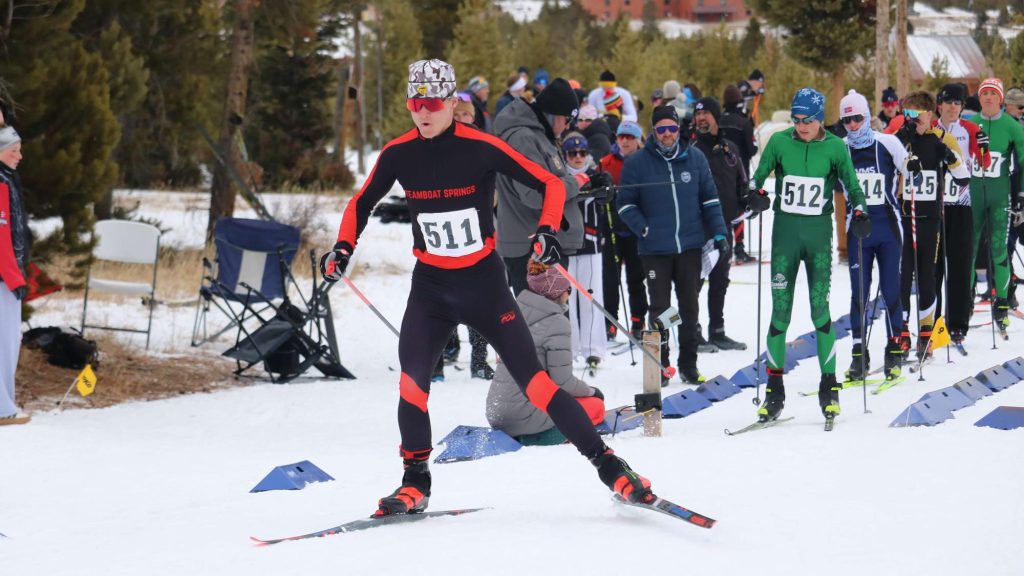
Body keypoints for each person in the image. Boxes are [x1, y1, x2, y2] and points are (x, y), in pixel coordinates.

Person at [319, 59, 656, 515]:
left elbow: (551, 184)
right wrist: (342, 247)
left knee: (536, 384)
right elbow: (361, 203)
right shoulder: (400, 153)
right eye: (415, 103)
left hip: (483, 284)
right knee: (412, 385)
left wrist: (547, 230)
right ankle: (414, 479)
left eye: (433, 103)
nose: (423, 112)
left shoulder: (480, 147)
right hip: (432, 288)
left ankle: (610, 466)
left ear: (452, 101)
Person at [746, 87, 869, 423]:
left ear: (820, 119)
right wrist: (754, 193)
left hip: (817, 239)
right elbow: (757, 176)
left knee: (820, 310)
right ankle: (774, 389)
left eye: (809, 120)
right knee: (780, 312)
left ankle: (829, 385)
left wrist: (860, 211)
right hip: (785, 238)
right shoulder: (779, 142)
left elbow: (852, 185)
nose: (801, 125)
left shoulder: (834, 147)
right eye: (797, 119)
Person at [617, 105, 729, 385]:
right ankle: (660, 364)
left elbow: (710, 200)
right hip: (655, 250)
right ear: (653, 132)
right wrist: (644, 228)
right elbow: (625, 204)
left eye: (672, 129)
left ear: (679, 130)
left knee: (689, 308)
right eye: (661, 130)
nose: (667, 135)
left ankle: (688, 365)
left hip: (690, 246)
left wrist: (719, 233)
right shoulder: (637, 163)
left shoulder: (695, 159)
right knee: (661, 309)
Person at [486, 262, 606, 445]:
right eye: (569, 289)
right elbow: (563, 382)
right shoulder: (556, 322)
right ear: (558, 291)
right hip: (525, 416)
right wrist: (591, 391)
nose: (569, 294)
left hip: (497, 414)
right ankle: (544, 436)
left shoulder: (516, 313)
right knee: (595, 407)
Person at [836, 90, 909, 383]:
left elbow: (912, 170)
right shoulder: (838, 149)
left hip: (889, 228)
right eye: (847, 120)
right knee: (860, 295)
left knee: (891, 291)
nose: (853, 125)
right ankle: (858, 355)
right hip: (858, 233)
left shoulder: (888, 143)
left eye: (858, 118)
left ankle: (894, 351)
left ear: (867, 117)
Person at [893, 91, 969, 361]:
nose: (912, 121)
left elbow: (963, 178)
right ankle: (900, 330)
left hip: (931, 220)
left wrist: (947, 155)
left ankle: (925, 334)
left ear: (929, 114)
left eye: (917, 115)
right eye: (908, 115)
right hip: (904, 218)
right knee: (902, 276)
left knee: (927, 276)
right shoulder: (900, 141)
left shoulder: (941, 140)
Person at [493, 77, 586, 295]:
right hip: (533, 248)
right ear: (553, 114)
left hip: (544, 244)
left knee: (554, 323)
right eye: (566, 119)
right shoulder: (523, 138)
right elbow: (535, 195)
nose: (568, 126)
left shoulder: (539, 135)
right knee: (545, 324)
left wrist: (586, 188)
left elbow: (553, 181)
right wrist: (577, 183)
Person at [933, 83, 989, 346]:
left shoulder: (970, 129)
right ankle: (931, 324)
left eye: (958, 103)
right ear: (940, 105)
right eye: (949, 102)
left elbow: (985, 162)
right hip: (933, 207)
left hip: (961, 205)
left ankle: (957, 324)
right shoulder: (930, 128)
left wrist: (984, 147)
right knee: (933, 269)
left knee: (959, 265)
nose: (953, 107)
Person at [691, 97, 748, 351]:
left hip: (723, 227)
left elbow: (741, 184)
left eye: (706, 114)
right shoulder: (690, 151)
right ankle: (693, 333)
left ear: (716, 116)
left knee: (720, 280)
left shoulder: (730, 150)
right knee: (693, 283)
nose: (701, 118)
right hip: (696, 228)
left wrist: (750, 201)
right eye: (698, 115)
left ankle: (718, 330)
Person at [969, 78, 1024, 334]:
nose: (989, 97)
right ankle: (965, 300)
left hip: (1000, 196)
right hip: (971, 197)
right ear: (979, 98)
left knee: (999, 250)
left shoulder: (1012, 126)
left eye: (993, 93)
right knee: (968, 250)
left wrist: (1021, 196)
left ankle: (1001, 304)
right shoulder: (969, 124)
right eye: (985, 93)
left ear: (1000, 98)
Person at [562, 133, 609, 371]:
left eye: (582, 153)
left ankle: (593, 349)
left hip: (590, 243)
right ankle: (568, 349)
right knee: (565, 299)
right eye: (572, 153)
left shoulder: (594, 174)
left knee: (590, 296)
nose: (578, 158)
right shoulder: (560, 176)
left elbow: (607, 204)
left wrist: (606, 191)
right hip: (566, 244)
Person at [599, 121, 648, 342]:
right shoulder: (606, 162)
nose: (625, 141)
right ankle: (610, 322)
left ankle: (638, 320)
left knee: (636, 278)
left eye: (630, 137)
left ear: (638, 139)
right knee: (611, 279)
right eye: (621, 137)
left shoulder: (647, 161)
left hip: (637, 229)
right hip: (613, 228)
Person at [0, 126, 30, 426]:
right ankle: (2, 407)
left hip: (8, 275)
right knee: (4, 343)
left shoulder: (7, 178)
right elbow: (1, 237)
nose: (19, 156)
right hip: (3, 280)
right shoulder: (0, 182)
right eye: (13, 150)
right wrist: (14, 278)